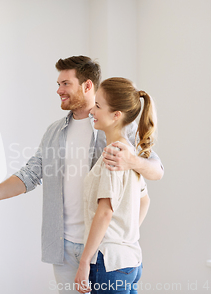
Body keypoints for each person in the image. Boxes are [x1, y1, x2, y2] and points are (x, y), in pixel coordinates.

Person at [0, 56, 163, 294]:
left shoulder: (117, 127)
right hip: (65, 249)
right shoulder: (54, 132)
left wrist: (120, 238)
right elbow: (30, 174)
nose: (59, 90)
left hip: (103, 253)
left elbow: (155, 170)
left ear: (87, 85)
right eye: (58, 84)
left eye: (65, 83)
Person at [74, 77, 155, 294]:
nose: (92, 111)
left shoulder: (113, 155)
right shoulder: (129, 153)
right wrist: (124, 235)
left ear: (116, 115)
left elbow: (105, 212)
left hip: (107, 263)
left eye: (98, 106)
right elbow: (145, 200)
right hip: (130, 261)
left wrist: (84, 262)